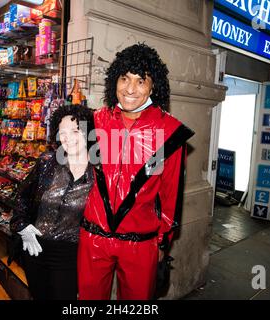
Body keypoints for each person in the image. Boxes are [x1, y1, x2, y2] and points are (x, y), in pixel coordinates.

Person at [77, 43, 194, 300]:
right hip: (93, 237)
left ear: (153, 86)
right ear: (114, 80)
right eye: (124, 78)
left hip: (140, 243)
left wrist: (163, 242)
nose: (130, 89)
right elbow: (79, 176)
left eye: (141, 81)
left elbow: (171, 195)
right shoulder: (93, 121)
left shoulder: (171, 134)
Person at [10, 104, 95, 300]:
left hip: (70, 255)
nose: (67, 137)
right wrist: (21, 225)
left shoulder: (98, 172)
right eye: (62, 132)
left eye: (75, 130)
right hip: (35, 247)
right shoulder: (47, 161)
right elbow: (22, 195)